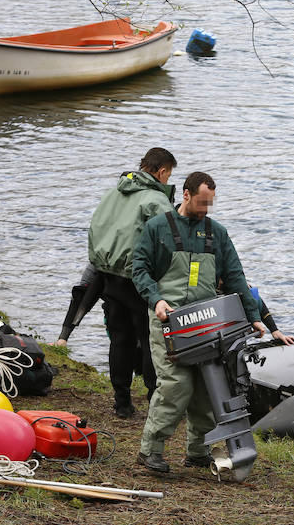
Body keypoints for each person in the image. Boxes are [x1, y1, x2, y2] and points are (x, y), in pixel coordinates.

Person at [132, 171, 294, 473]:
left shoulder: (216, 233)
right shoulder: (157, 228)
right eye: (201, 203)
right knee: (175, 385)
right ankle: (150, 450)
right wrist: (156, 299)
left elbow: (235, 276)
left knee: (207, 389)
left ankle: (197, 451)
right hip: (169, 321)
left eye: (210, 204)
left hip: (207, 324)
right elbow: (138, 267)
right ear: (186, 195)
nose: (205, 210)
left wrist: (254, 317)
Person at [88, 147, 177, 419]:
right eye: (169, 175)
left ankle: (122, 403)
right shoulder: (155, 201)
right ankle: (154, 401)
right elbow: (170, 243)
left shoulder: (112, 194)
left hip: (108, 276)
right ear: (161, 172)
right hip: (139, 280)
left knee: (120, 339)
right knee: (150, 340)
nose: (168, 180)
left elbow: (96, 229)